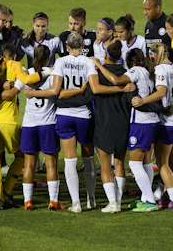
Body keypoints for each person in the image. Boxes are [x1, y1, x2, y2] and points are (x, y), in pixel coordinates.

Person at [26, 32, 126, 213]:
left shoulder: (60, 62)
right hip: (84, 115)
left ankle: (76, 203)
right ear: (82, 46)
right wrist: (82, 90)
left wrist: (64, 92)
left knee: (70, 160)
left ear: (66, 47)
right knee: (88, 159)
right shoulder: (89, 63)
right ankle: (91, 199)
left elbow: (56, 90)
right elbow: (94, 89)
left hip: (64, 116)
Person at [93, 46, 159, 213]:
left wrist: (98, 65)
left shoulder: (132, 72)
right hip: (136, 121)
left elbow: (110, 83)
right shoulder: (147, 72)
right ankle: (135, 199)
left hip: (133, 121)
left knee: (123, 164)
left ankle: (136, 201)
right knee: (136, 162)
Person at [132, 43, 173, 210]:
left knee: (163, 163)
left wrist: (142, 100)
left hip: (168, 123)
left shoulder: (160, 70)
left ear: (155, 54)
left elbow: (161, 92)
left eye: (151, 55)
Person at [0, 43, 42, 210]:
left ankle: (0, 198)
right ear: (15, 56)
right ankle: (7, 191)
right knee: (21, 155)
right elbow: (19, 87)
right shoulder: (16, 66)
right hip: (8, 120)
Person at [20, 45, 65, 211]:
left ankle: (27, 201)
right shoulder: (54, 74)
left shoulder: (27, 74)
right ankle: (53, 201)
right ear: (48, 58)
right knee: (51, 164)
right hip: (48, 123)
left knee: (29, 164)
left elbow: (12, 91)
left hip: (29, 124)